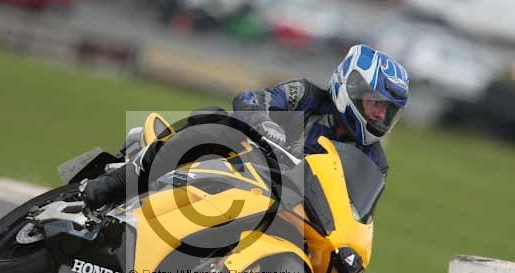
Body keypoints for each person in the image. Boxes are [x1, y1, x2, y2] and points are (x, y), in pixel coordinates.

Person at [80, 44, 409, 211]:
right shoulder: (308, 96)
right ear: (351, 88)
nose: (380, 114)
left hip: (288, 206)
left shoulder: (374, 161)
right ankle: (112, 184)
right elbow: (251, 99)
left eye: (387, 110)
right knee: (214, 118)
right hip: (243, 167)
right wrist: (264, 122)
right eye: (375, 103)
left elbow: (356, 212)